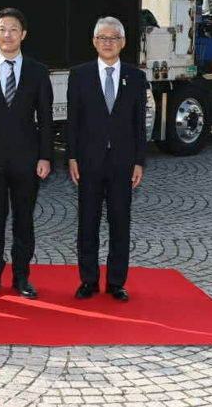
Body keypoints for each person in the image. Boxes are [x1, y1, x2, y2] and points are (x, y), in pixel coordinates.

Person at [0, 7, 53, 299]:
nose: (7, 35)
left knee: (24, 220)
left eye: (13, 29)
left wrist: (45, 156)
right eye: (2, 29)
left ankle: (21, 276)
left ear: (23, 34)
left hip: (27, 159)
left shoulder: (38, 71)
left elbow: (46, 118)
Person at [66, 16, 148, 301]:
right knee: (87, 224)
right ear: (94, 41)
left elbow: (139, 123)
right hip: (88, 161)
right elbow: (73, 121)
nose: (108, 42)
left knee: (120, 223)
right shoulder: (80, 74)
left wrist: (139, 161)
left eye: (114, 38)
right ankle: (88, 280)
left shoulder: (135, 77)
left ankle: (116, 282)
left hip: (123, 163)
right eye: (103, 37)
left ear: (123, 43)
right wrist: (71, 157)